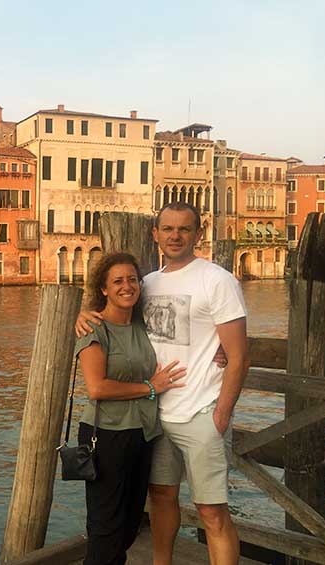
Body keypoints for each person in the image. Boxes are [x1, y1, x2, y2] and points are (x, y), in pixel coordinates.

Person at [76, 202, 250, 565]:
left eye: (184, 229)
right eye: (167, 229)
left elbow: (240, 355)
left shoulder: (217, 280)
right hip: (154, 417)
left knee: (212, 511)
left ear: (198, 235)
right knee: (160, 498)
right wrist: (83, 313)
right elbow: (115, 312)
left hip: (202, 412)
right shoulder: (147, 284)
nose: (175, 236)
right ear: (155, 234)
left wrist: (221, 414)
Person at [74, 251, 186, 565]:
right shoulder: (94, 329)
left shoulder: (141, 323)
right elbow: (97, 388)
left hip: (143, 434)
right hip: (106, 436)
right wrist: (151, 387)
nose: (127, 286)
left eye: (132, 279)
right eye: (118, 281)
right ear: (104, 289)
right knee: (105, 528)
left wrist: (221, 352)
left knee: (129, 525)